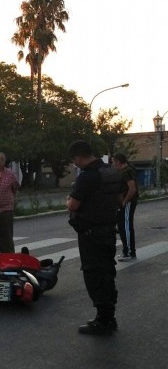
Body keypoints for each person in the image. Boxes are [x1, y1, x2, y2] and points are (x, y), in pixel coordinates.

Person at [66, 140, 122, 335]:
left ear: (78, 157)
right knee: (107, 273)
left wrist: (68, 200)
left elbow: (73, 205)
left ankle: (103, 320)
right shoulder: (110, 171)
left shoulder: (88, 176)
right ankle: (108, 316)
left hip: (91, 233)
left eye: (75, 161)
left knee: (94, 274)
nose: (76, 165)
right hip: (107, 230)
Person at [112, 153, 138, 261]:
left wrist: (125, 201)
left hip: (128, 203)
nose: (113, 164)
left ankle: (129, 252)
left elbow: (132, 189)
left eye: (114, 161)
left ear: (118, 161)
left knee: (126, 227)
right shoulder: (124, 171)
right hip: (123, 203)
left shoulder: (127, 171)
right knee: (122, 227)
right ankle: (126, 251)